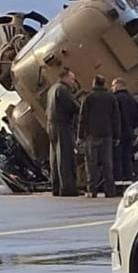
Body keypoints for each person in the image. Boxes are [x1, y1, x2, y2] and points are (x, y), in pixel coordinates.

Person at [78, 75, 121, 198]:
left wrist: (80, 136)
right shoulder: (111, 98)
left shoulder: (88, 98)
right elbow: (116, 118)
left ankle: (92, 190)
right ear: (104, 84)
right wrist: (116, 136)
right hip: (107, 135)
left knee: (91, 165)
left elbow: (83, 118)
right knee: (107, 164)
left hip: (92, 135)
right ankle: (110, 191)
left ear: (94, 83)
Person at [46, 67, 79, 197]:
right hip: (62, 125)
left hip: (52, 125)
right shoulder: (63, 90)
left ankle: (56, 186)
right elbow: (73, 106)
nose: (73, 82)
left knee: (54, 157)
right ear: (65, 78)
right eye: (72, 79)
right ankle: (68, 188)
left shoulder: (52, 89)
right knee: (65, 157)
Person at [112, 77, 138, 181]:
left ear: (118, 85)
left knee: (117, 159)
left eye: (113, 85)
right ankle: (129, 180)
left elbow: (112, 117)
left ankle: (118, 182)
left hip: (118, 135)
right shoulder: (132, 100)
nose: (112, 88)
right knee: (127, 158)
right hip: (129, 133)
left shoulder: (114, 99)